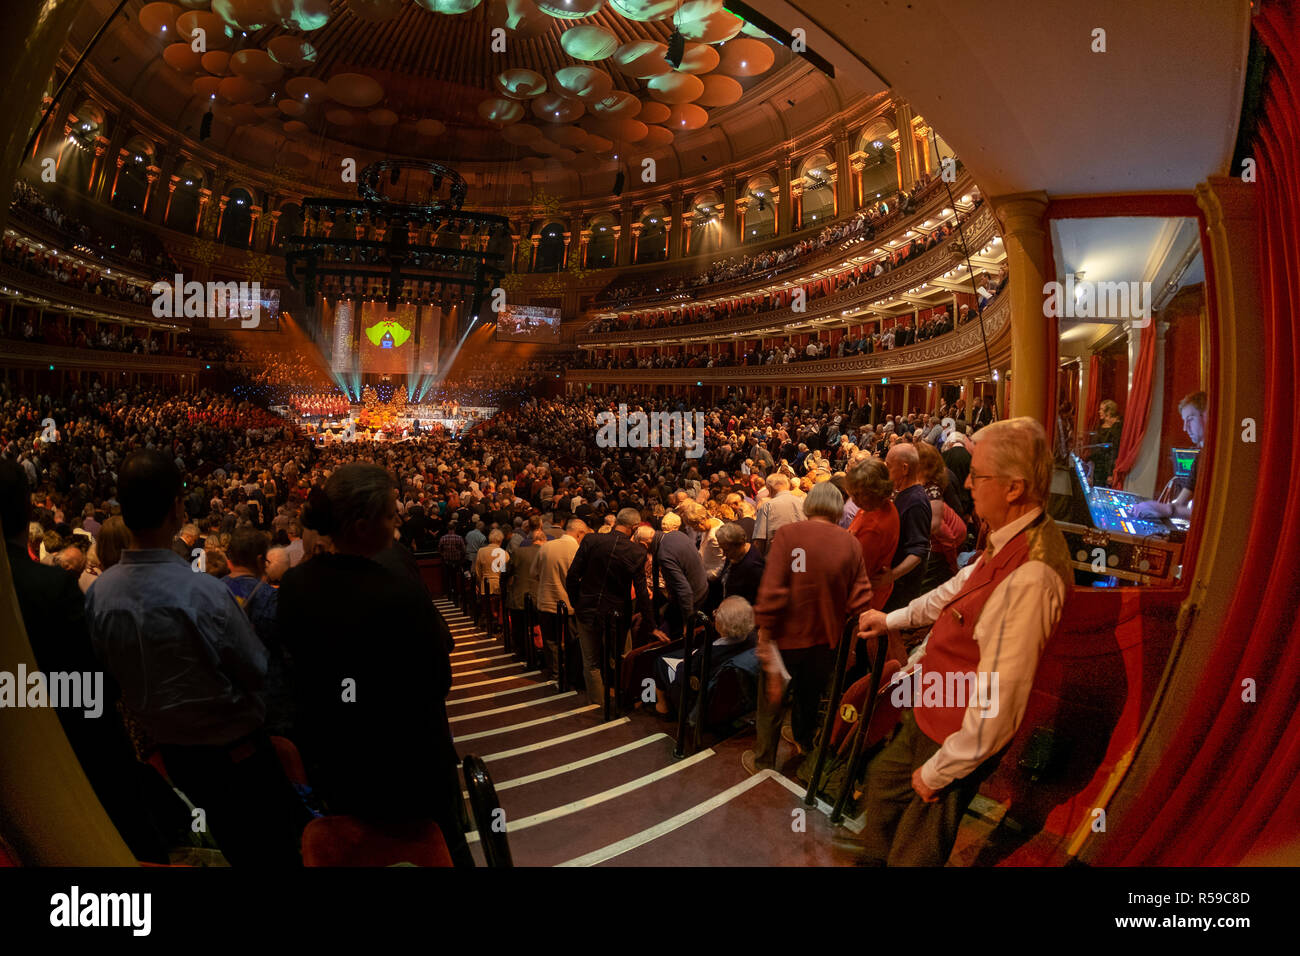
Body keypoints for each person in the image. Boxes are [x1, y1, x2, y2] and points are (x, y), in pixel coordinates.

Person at [853, 417, 1071, 866]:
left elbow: (1000, 701)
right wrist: (890, 618)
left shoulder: (1034, 575)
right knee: (882, 789)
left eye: (979, 474)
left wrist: (941, 771)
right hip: (931, 709)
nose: (966, 482)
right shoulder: (1009, 535)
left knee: (914, 853)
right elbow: (954, 592)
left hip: (955, 737)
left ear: (1013, 488)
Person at [85, 450, 307, 867]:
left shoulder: (100, 594)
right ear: (176, 508)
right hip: (238, 761)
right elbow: (256, 669)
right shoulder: (203, 593)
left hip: (171, 761)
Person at [277, 463, 469, 866]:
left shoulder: (296, 584)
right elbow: (438, 681)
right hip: (407, 765)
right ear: (363, 525)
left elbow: (299, 669)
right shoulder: (398, 590)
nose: (397, 520)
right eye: (390, 513)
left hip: (335, 761)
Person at [744, 481, 874, 774]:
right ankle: (803, 741)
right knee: (809, 697)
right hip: (826, 640)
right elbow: (861, 599)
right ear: (838, 508)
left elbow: (773, 589)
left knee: (771, 703)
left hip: (785, 638)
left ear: (809, 504)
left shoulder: (789, 535)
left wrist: (764, 634)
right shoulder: (851, 543)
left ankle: (764, 760)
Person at [565, 508, 654, 705]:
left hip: (587, 609)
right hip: (617, 613)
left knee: (591, 662)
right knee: (623, 657)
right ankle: (624, 700)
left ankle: (599, 706)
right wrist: (651, 624)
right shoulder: (637, 551)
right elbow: (641, 593)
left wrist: (577, 602)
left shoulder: (592, 540)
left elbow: (572, 576)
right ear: (635, 527)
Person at [1132, 391, 1206, 520]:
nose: (1185, 428)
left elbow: (1207, 514)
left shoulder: (1219, 459)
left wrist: (1168, 510)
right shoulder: (1200, 456)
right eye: (1184, 421)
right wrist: (1157, 508)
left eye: (1190, 419)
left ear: (1206, 416)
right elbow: (1179, 503)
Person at [536, 518, 588, 682]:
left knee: (551, 640)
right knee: (573, 641)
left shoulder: (546, 547)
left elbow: (534, 573)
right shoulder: (579, 550)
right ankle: (572, 675)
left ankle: (555, 672)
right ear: (579, 533)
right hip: (570, 604)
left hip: (546, 601)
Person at [844, 457, 899, 611]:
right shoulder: (876, 505)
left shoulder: (874, 529)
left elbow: (858, 572)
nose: (853, 499)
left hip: (862, 598)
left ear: (873, 492)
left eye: (857, 494)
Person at [883, 443, 931, 612]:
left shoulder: (916, 502)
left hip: (902, 587)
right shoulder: (905, 494)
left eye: (888, 466)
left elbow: (918, 551)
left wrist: (891, 576)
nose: (885, 472)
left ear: (904, 468)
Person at [751, 472, 805, 556]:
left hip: (777, 558)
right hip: (800, 557)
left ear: (770, 488)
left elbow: (759, 541)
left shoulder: (767, 506)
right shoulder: (803, 502)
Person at [716, 521, 765, 605]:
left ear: (739, 545)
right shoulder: (733, 555)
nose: (724, 554)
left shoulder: (753, 566)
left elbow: (753, 601)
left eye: (726, 550)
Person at [1091, 399, 1123, 487]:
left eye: (1101, 409)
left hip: (1106, 468)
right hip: (1099, 466)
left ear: (1108, 412)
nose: (1099, 411)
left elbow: (1114, 451)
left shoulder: (1116, 428)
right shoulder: (1102, 426)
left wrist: (1110, 473)